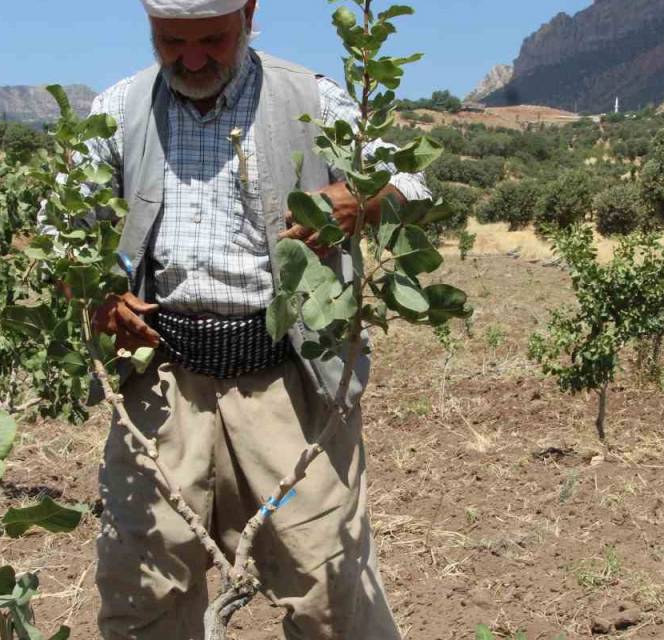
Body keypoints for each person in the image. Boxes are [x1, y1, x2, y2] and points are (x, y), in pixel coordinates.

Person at [74, 0, 430, 637]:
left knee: (329, 594)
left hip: (287, 384)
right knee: (142, 593)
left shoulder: (314, 100)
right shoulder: (117, 111)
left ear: (250, 13)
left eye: (212, 39)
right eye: (169, 42)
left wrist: (360, 201)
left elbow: (412, 180)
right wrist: (101, 293)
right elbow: (65, 230)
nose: (191, 59)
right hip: (161, 382)